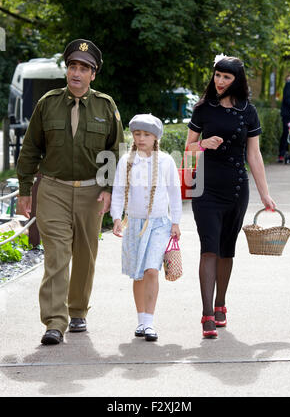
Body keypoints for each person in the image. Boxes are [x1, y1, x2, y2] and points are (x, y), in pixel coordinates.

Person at [16, 39, 124, 345]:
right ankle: (54, 321)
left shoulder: (106, 105)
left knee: (85, 255)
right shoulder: (47, 103)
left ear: (93, 74)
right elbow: (30, 149)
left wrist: (108, 188)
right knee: (57, 254)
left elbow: (114, 150)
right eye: (73, 66)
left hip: (91, 192)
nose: (76, 73)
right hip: (53, 189)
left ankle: (77, 311)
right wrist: (25, 190)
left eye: (84, 68)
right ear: (67, 70)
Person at [186, 55, 276, 339]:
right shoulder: (203, 109)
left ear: (237, 80)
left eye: (226, 77)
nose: (220, 81)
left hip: (236, 189)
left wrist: (265, 195)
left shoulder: (248, 111)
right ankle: (207, 314)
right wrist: (203, 143)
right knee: (209, 247)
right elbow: (188, 148)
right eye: (217, 75)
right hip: (205, 189)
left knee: (227, 249)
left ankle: (221, 303)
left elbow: (254, 154)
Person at [110, 114, 182, 341]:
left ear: (155, 138)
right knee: (138, 274)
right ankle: (141, 321)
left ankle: (150, 323)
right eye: (137, 134)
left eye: (147, 135)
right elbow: (119, 191)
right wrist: (116, 217)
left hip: (159, 224)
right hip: (134, 223)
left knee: (152, 270)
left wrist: (176, 221)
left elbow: (174, 192)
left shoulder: (166, 161)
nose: (141, 138)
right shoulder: (126, 161)